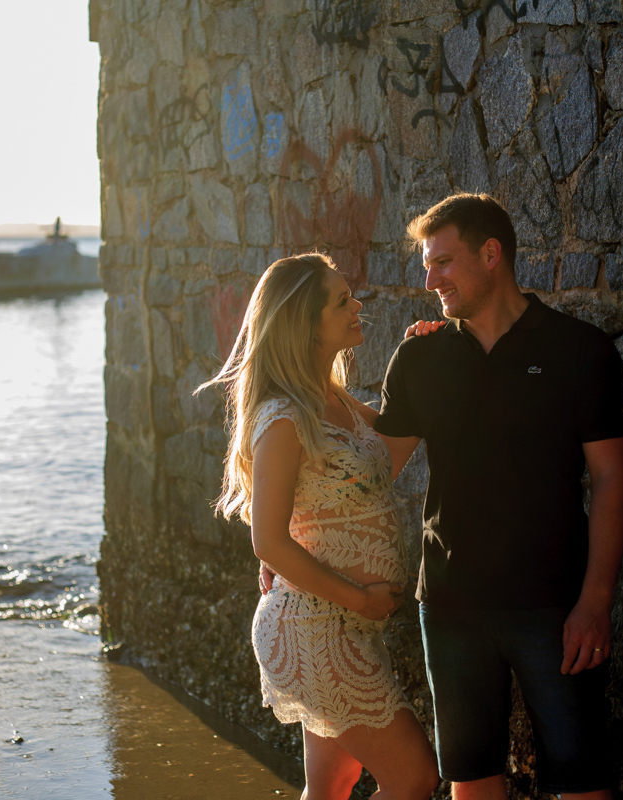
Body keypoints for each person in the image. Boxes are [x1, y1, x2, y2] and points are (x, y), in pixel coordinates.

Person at [376, 194, 623, 800]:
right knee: (470, 781)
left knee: (582, 783)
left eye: (443, 263)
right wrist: (287, 538)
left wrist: (595, 601)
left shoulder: (581, 351)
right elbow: (368, 472)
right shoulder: (419, 356)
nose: (431, 281)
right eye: (427, 267)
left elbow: (612, 478)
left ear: (491, 254)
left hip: (556, 608)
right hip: (450, 607)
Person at [198, 253, 439, 800]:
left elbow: (386, 458)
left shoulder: (332, 398)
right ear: (306, 325)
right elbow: (268, 541)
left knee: (332, 785)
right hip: (317, 630)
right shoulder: (283, 417)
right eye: (341, 301)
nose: (357, 306)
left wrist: (418, 361)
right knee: (414, 779)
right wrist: (361, 599)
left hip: (342, 628)